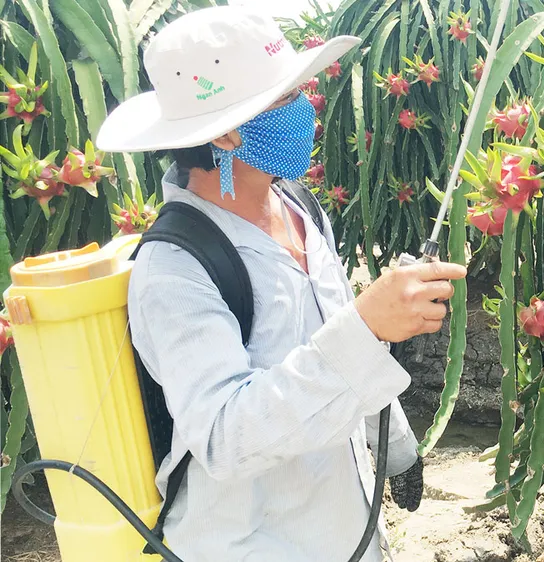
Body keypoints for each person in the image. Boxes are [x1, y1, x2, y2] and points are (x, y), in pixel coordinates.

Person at [95, 6, 466, 561]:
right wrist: (367, 325)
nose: (305, 111)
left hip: (346, 527)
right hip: (254, 544)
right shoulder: (175, 269)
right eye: (284, 100)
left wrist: (395, 449)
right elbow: (223, 437)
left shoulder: (299, 207)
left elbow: (342, 344)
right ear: (223, 132)